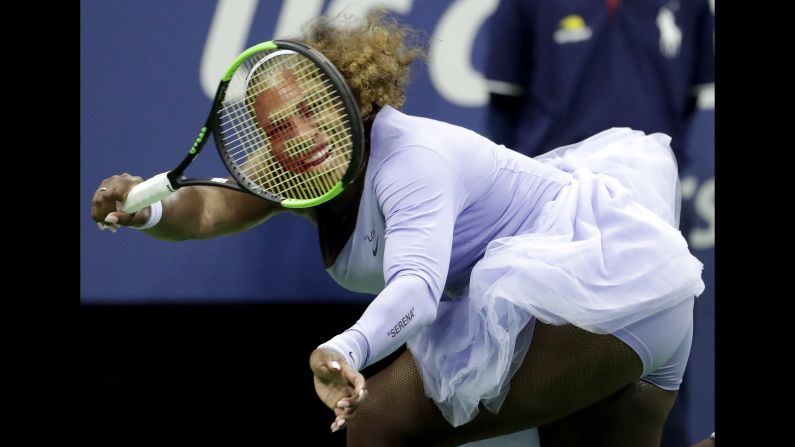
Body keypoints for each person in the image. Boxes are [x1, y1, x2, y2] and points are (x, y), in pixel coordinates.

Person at [91, 11, 704, 447]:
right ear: (265, 147)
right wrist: (147, 211)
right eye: (278, 129)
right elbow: (207, 210)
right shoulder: (298, 173)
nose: (299, 135)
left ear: (351, 99)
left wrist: (344, 351)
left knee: (378, 423)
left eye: (311, 111)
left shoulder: (413, 162)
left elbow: (416, 286)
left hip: (604, 290)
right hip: (637, 299)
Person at [483, 0, 715, 169]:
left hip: (656, 183)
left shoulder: (691, 5)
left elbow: (689, 99)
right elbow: (505, 99)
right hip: (553, 183)